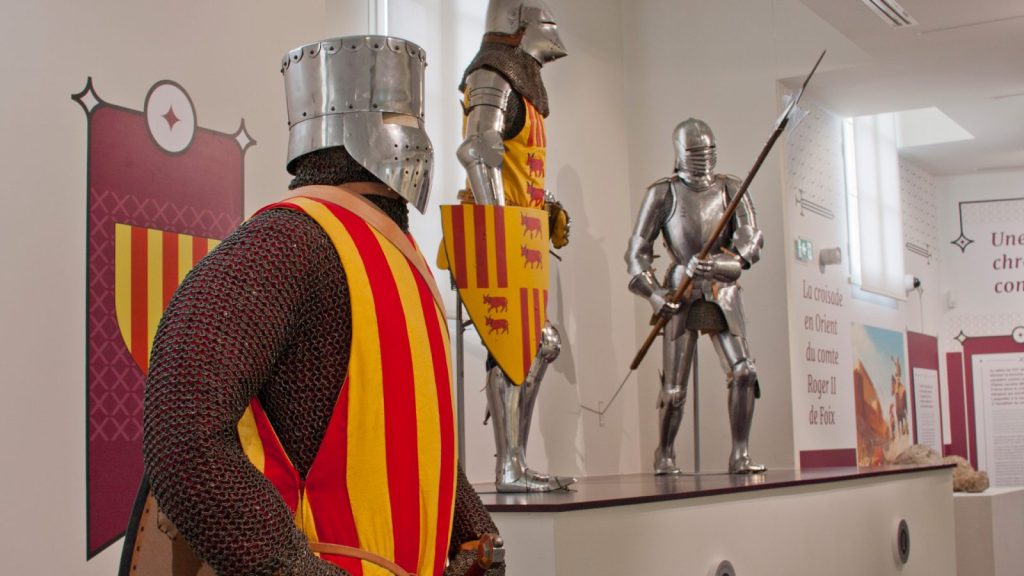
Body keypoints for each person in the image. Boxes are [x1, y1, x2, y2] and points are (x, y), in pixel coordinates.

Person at [121, 36, 504, 576]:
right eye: (399, 116)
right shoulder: (288, 242)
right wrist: (292, 567)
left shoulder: (406, 258)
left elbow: (403, 436)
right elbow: (182, 430)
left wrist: (472, 532)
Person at [450, 0, 573, 493]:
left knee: (540, 344)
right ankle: (509, 467)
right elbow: (478, 150)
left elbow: (518, 163)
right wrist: (501, 223)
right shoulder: (493, 74)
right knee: (522, 343)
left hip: (522, 234)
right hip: (494, 236)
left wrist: (543, 206)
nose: (554, 31)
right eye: (546, 20)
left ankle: (514, 463)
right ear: (519, 24)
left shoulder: (521, 85)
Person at [624, 118, 766, 475]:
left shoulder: (731, 187)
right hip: (682, 290)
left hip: (722, 289)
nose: (704, 157)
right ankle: (665, 454)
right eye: (696, 151)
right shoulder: (663, 193)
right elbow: (637, 254)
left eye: (708, 150)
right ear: (680, 152)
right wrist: (655, 295)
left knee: (744, 372)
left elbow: (750, 240)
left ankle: (740, 454)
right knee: (674, 389)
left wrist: (721, 261)